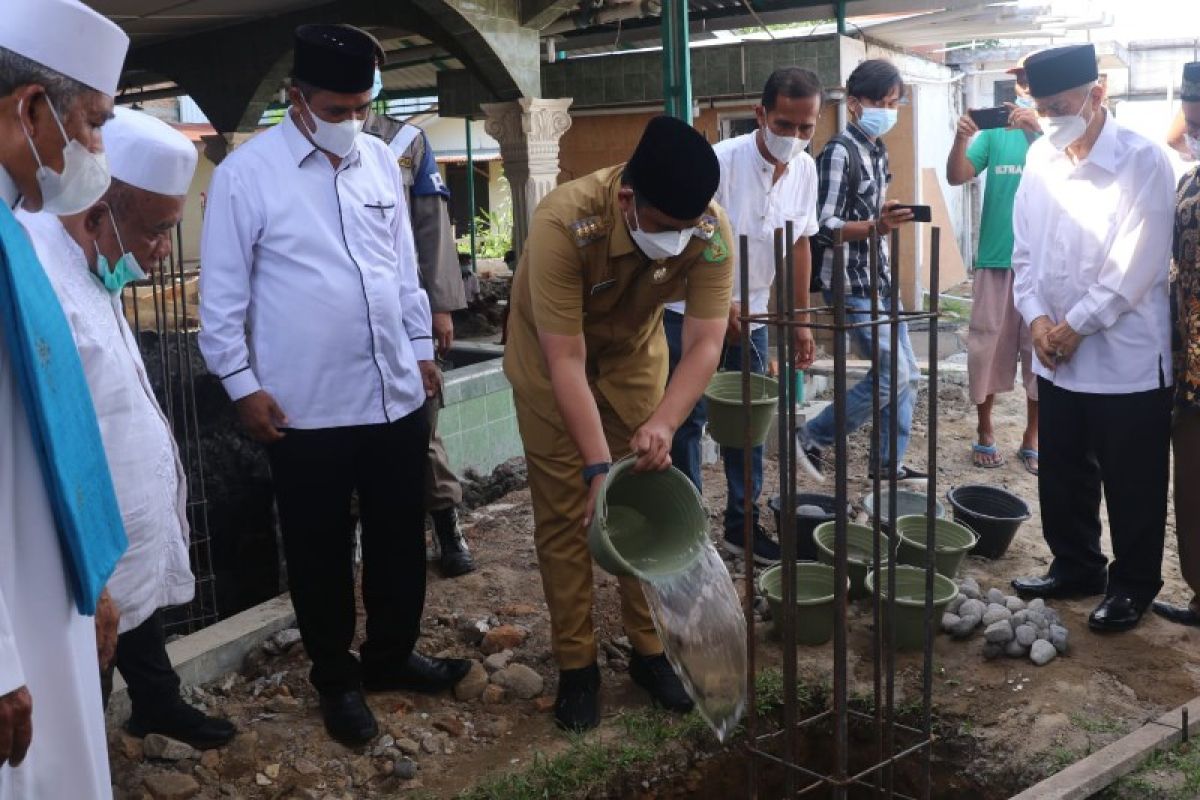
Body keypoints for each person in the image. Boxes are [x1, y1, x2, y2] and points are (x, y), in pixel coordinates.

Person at [199, 24, 470, 747]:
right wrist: (241, 385)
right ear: (297, 98)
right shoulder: (245, 176)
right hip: (305, 406)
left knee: (397, 535)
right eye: (338, 107)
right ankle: (335, 677)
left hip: (394, 392)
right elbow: (221, 301)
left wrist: (419, 349)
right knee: (319, 548)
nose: (352, 121)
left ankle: (389, 655)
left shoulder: (381, 160)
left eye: (362, 106)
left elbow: (401, 270)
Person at [503, 115, 732, 732]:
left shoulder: (707, 230)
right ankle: (577, 665)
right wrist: (597, 466)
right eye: (667, 229)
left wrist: (663, 421)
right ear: (629, 200)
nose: (682, 241)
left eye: (690, 229)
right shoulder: (564, 224)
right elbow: (565, 359)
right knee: (567, 513)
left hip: (632, 355)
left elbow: (708, 342)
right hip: (552, 365)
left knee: (646, 500)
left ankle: (649, 651)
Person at [18, 107, 236, 749]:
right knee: (87, 669)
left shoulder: (96, 260)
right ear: (97, 214)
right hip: (83, 537)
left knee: (138, 617)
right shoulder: (41, 279)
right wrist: (91, 566)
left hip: (126, 515)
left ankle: (157, 704)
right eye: (159, 232)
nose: (164, 250)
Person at [0, 1, 130, 796]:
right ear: (30, 109)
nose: (94, 149)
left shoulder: (12, 227)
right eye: (89, 124)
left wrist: (92, 583)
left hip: (43, 597)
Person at [1008, 44, 1176, 633]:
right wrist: (1034, 321)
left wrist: (1076, 325)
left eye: (1060, 106)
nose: (1051, 118)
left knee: (1133, 478)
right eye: (1041, 107)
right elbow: (1023, 252)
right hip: (1054, 350)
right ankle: (1076, 565)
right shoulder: (1039, 157)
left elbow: (1137, 264)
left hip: (1124, 352)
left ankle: (1133, 585)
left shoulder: (1144, 160)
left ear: (1096, 94)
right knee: (1062, 470)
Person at [665, 66, 822, 563]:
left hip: (753, 315)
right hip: (689, 310)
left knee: (748, 421)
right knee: (688, 420)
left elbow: (799, 245)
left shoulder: (806, 170)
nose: (794, 138)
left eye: (805, 127)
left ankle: (742, 526)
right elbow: (683, 240)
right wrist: (717, 304)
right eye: (784, 125)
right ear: (760, 114)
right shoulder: (718, 164)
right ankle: (686, 531)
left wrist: (799, 317)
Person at [362, 38, 474, 577]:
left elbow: (431, 227)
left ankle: (447, 526)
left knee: (422, 422)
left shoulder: (405, 141)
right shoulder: (286, 149)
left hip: (402, 307)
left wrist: (441, 308)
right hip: (337, 320)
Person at [795, 59, 922, 482]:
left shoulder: (876, 148)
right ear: (854, 104)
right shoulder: (838, 153)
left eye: (894, 102)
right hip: (849, 282)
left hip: (878, 276)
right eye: (882, 102)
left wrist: (882, 213)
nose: (889, 109)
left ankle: (887, 466)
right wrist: (876, 226)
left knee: (910, 374)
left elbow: (865, 209)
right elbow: (823, 225)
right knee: (894, 374)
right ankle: (811, 435)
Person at [945, 57, 1041, 474]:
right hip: (996, 260)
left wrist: (1036, 132)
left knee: (1040, 355)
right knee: (986, 348)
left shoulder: (1056, 134)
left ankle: (1032, 436)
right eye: (1018, 80)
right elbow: (956, 175)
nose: (1022, 86)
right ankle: (985, 430)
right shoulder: (997, 133)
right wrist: (960, 140)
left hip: (1043, 265)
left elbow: (1074, 171)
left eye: (1029, 80)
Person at [1153, 63, 1200, 628]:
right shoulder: (1189, 181)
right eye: (1190, 121)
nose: (1191, 133)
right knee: (1192, 487)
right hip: (1188, 370)